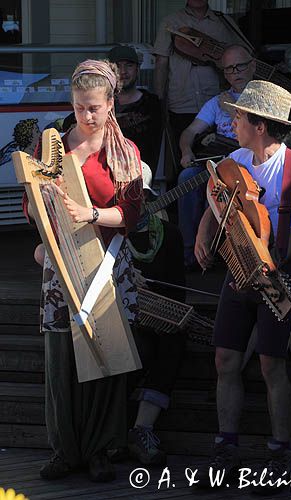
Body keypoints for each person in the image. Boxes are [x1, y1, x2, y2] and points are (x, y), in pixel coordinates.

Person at [194, 80, 291, 493]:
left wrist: (265, 258)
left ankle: (280, 451)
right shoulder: (234, 158)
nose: (232, 121)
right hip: (236, 272)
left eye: (239, 116)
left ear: (260, 126)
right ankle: (226, 447)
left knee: (271, 364)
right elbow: (217, 196)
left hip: (275, 277)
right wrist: (204, 231)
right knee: (225, 360)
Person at [23, 59, 143, 482]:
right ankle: (66, 450)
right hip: (63, 262)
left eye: (94, 107)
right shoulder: (50, 146)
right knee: (61, 360)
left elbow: (130, 213)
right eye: (79, 107)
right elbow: (29, 208)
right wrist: (46, 208)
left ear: (111, 103)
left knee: (106, 356)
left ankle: (100, 448)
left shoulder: (124, 152)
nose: (87, 115)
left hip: (107, 265)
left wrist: (89, 213)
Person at [123, 162, 186, 465]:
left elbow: (176, 293)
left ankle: (141, 428)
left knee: (171, 339)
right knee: (136, 345)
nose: (136, 206)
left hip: (155, 317)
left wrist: (150, 298)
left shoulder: (170, 235)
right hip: (117, 318)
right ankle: (111, 432)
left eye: (139, 199)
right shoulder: (106, 234)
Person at [178, 44, 255, 269]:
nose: (235, 73)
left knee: (219, 186)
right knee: (187, 177)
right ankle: (190, 254)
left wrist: (232, 110)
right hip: (217, 162)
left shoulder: (263, 96)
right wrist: (186, 151)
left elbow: (262, 131)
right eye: (229, 69)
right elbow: (190, 132)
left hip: (248, 164)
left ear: (252, 66)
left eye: (240, 66)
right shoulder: (216, 101)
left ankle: (224, 256)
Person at [153, 0, 251, 169]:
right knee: (183, 164)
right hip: (181, 102)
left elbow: (241, 55)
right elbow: (161, 62)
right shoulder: (171, 22)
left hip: (215, 96)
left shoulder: (224, 23)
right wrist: (159, 99)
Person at [108, 45, 163, 179]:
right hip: (107, 174)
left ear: (138, 69)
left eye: (129, 65)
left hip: (141, 176)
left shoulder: (152, 104)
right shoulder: (101, 104)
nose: (123, 71)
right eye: (117, 66)